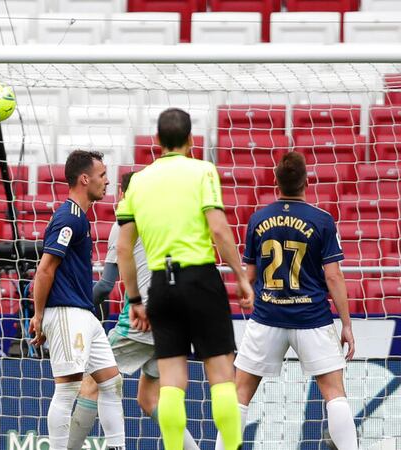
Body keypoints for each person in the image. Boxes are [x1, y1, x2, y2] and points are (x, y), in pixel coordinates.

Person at [115, 108, 254, 450]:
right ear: (192, 140)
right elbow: (219, 230)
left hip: (161, 285)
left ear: (157, 142)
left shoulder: (140, 182)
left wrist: (135, 301)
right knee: (221, 375)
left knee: (172, 382)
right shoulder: (202, 171)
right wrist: (241, 276)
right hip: (200, 278)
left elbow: (122, 248)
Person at [214, 152, 358, 450]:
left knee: (240, 394)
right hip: (312, 319)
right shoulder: (322, 220)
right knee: (334, 392)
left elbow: (250, 274)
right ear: (307, 181)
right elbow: (333, 277)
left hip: (267, 317)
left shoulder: (258, 218)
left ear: (276, 182)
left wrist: (246, 292)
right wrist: (346, 324)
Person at [68, 171, 200, 450]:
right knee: (149, 399)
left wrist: (76, 306)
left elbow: (105, 286)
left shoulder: (124, 222)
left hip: (145, 318)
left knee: (92, 381)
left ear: (123, 192)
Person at [28, 150, 125, 450]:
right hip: (67, 312)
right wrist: (38, 315)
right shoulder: (69, 217)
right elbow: (45, 269)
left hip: (84, 313)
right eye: (102, 175)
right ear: (85, 178)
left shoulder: (79, 217)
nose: (107, 181)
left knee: (111, 382)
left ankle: (116, 446)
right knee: (68, 390)